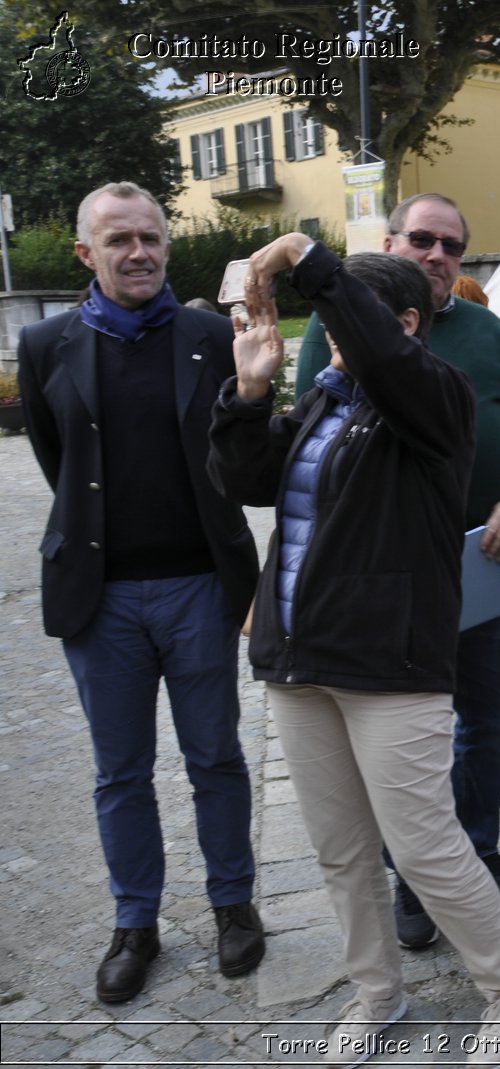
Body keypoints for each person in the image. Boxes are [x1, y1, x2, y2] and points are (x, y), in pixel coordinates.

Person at [209, 235, 500, 1067]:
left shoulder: (437, 398)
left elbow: (389, 364)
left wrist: (305, 256)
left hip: (390, 662)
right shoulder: (325, 401)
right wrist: (249, 391)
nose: (324, 335)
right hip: (299, 657)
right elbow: (248, 481)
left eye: (337, 316)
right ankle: (376, 991)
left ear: (399, 324)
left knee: (427, 845)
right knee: (340, 848)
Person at [16, 182, 263, 1004]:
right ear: (86, 253)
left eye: (150, 237)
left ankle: (233, 904)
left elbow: (241, 451)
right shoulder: (47, 343)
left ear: (167, 243)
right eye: (118, 239)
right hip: (102, 597)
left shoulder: (206, 335)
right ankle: (136, 923)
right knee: (120, 772)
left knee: (216, 758)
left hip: (199, 584)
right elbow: (61, 468)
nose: (139, 253)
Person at [295, 194, 500, 948]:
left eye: (452, 244)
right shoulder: (334, 327)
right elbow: (313, 437)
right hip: (390, 573)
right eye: (422, 239)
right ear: (391, 241)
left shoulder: (483, 328)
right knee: (408, 735)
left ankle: (473, 844)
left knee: (491, 726)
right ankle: (416, 872)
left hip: (487, 558)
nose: (437, 254)